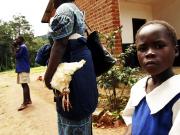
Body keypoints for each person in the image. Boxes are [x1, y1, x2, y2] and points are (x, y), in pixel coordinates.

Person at [44, 0, 98, 135]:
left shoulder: (64, 9)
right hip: (82, 69)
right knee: (83, 114)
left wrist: (48, 78)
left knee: (72, 118)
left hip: (72, 71)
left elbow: (60, 44)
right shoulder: (75, 9)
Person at [122, 20, 180, 135]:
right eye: (142, 49)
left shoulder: (177, 94)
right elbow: (131, 121)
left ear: (176, 51)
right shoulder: (138, 87)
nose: (149, 53)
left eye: (159, 46)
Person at [13, 36, 32, 111]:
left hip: (23, 68)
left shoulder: (22, 47)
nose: (16, 40)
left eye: (17, 39)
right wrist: (15, 47)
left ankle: (25, 103)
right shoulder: (21, 47)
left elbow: (16, 56)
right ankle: (29, 100)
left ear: (21, 40)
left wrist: (14, 47)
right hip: (22, 68)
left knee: (24, 85)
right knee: (24, 84)